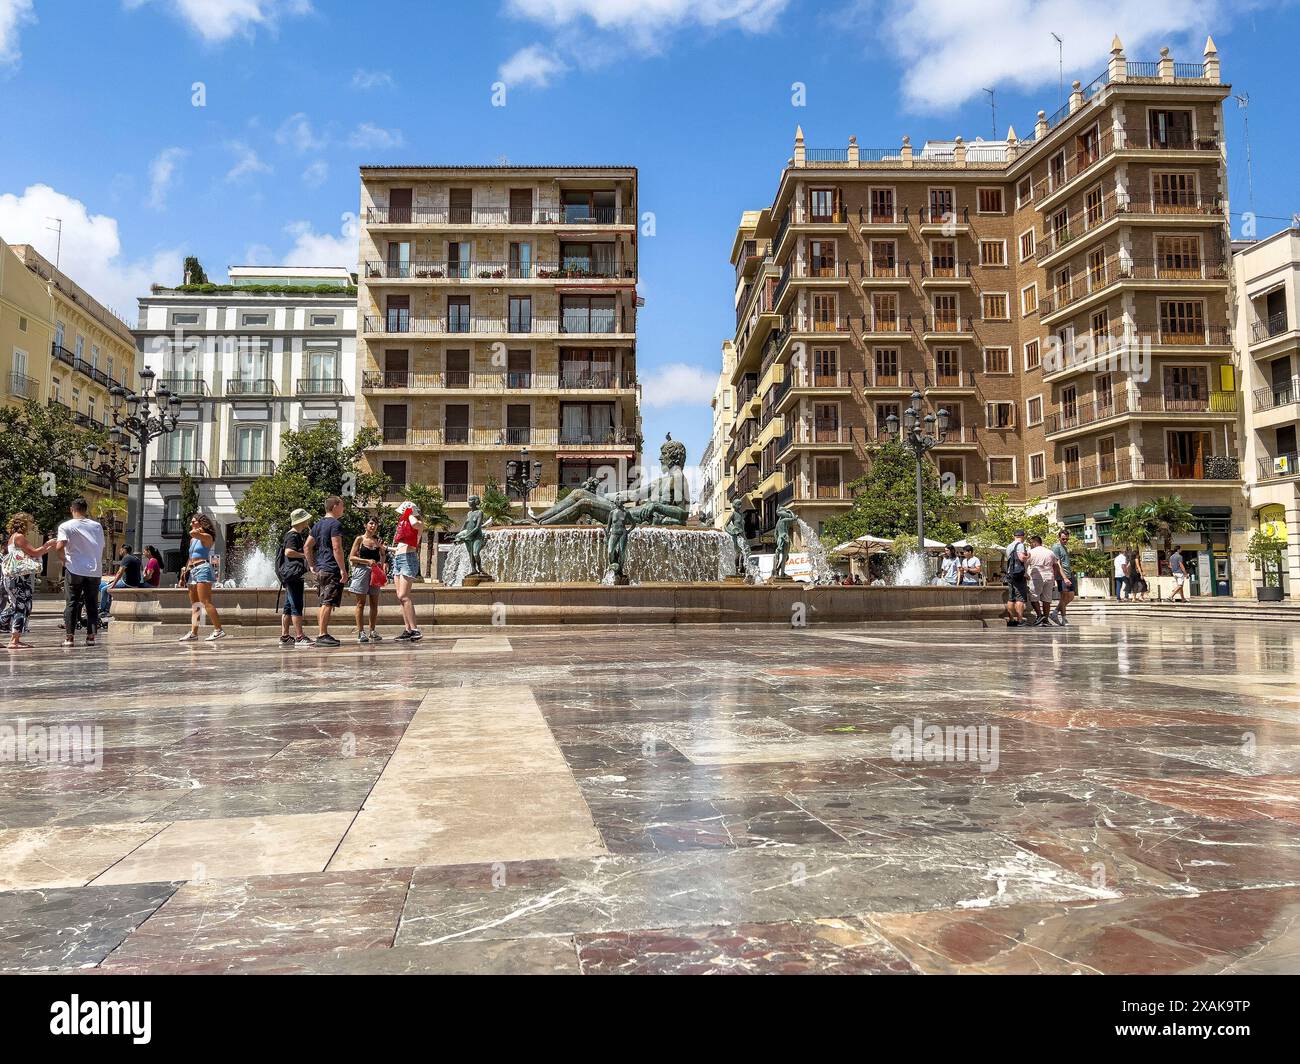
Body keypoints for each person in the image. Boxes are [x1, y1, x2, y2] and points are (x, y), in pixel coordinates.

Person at [55, 498, 106, 648]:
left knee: (72, 603)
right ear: (86, 510)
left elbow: (59, 547)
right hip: (94, 570)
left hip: (74, 569)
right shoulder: (97, 526)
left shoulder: (66, 526)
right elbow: (101, 546)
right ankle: (91, 637)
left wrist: (63, 560)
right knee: (91, 604)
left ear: (72, 509)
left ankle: (69, 638)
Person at [3, 513, 54, 649]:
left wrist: (46, 548)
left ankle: (16, 638)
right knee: (21, 606)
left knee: (19, 606)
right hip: (18, 578)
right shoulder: (19, 537)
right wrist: (47, 545)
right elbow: (35, 552)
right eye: (31, 522)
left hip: (16, 577)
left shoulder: (13, 538)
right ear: (24, 523)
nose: (33, 524)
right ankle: (14, 641)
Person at [306, 496, 347, 646]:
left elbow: (307, 546)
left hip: (322, 568)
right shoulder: (335, 524)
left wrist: (312, 566)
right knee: (328, 602)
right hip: (331, 568)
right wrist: (343, 569)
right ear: (335, 506)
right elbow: (337, 548)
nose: (343, 508)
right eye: (342, 505)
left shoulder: (317, 525)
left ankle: (321, 633)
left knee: (323, 602)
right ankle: (322, 635)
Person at [178, 513, 225, 642]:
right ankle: (194, 633)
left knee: (205, 602)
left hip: (203, 568)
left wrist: (198, 529)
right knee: (195, 604)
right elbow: (191, 556)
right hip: (192, 570)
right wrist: (184, 573)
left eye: (193, 522)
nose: (191, 524)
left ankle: (218, 630)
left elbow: (192, 533)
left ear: (200, 523)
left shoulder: (206, 537)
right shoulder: (194, 540)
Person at [349, 516, 387, 644]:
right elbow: (352, 557)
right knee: (360, 603)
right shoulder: (360, 539)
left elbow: (382, 557)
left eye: (375, 524)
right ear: (366, 525)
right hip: (362, 571)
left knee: (374, 602)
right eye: (371, 523)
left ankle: (372, 630)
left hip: (375, 573)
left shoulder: (378, 541)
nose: (373, 526)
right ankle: (361, 631)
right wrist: (366, 561)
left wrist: (382, 553)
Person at [277, 508, 313, 647]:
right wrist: (304, 555)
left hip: (289, 574)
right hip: (293, 575)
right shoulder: (294, 535)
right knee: (296, 605)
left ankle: (285, 636)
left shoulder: (290, 534)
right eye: (305, 519)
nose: (307, 521)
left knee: (287, 606)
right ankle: (299, 637)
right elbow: (289, 552)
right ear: (301, 521)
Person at [391, 500, 423, 641]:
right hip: (398, 559)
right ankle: (408, 629)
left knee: (404, 595)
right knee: (400, 597)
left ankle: (415, 629)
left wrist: (409, 512)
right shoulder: (404, 527)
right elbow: (400, 546)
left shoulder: (418, 524)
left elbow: (415, 523)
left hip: (408, 559)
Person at [1026, 534, 1063, 627]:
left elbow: (1026, 564)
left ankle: (1039, 616)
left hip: (1036, 576)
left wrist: (1026, 574)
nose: (1030, 545)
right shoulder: (1050, 552)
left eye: (1031, 543)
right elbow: (1055, 565)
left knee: (1034, 597)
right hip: (1049, 576)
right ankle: (1045, 619)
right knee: (1047, 599)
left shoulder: (1031, 552)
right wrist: (1053, 576)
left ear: (1034, 543)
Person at [101, 544, 146, 618]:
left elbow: (120, 572)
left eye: (120, 549)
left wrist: (113, 585)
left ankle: (102, 610)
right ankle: (108, 608)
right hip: (135, 583)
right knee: (109, 586)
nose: (119, 551)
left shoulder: (126, 558)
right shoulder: (136, 559)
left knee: (104, 589)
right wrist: (113, 581)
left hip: (128, 583)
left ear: (124, 550)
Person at [1003, 529, 1030, 627]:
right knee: (1020, 597)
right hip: (1019, 574)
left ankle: (1011, 619)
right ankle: (1019, 620)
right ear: (1023, 536)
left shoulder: (1009, 546)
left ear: (1014, 536)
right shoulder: (1020, 545)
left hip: (1010, 574)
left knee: (1011, 598)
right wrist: (1028, 556)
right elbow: (1021, 558)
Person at [1050, 530, 1075, 626]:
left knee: (1071, 596)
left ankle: (1055, 612)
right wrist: (1064, 577)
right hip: (1062, 576)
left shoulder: (1064, 547)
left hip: (1069, 574)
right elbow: (1057, 564)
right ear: (1059, 537)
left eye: (1067, 539)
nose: (1065, 540)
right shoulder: (1056, 547)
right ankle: (1064, 619)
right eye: (1063, 539)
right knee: (1064, 597)